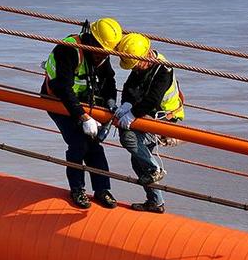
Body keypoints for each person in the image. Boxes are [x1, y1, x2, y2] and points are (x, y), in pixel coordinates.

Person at [42, 18, 122, 209]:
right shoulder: (68, 50)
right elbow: (63, 88)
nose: (102, 57)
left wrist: (110, 100)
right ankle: (77, 189)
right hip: (59, 103)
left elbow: (109, 79)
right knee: (78, 143)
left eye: (106, 53)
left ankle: (102, 190)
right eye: (101, 52)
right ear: (92, 40)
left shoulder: (100, 53)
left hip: (84, 104)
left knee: (94, 146)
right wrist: (83, 117)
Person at [112, 33, 184, 213]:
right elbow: (129, 87)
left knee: (129, 138)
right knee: (137, 160)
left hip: (164, 119)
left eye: (137, 65)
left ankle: (154, 169)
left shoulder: (163, 71)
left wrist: (132, 114)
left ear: (147, 55)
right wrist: (126, 104)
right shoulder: (141, 65)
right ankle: (156, 202)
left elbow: (153, 99)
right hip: (146, 114)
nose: (135, 69)